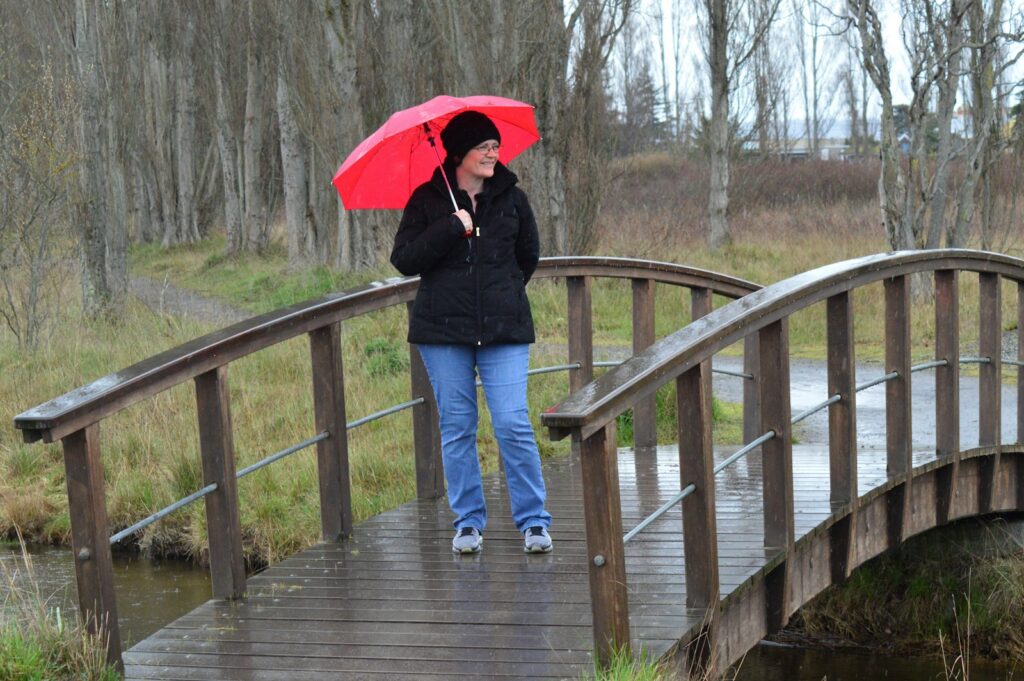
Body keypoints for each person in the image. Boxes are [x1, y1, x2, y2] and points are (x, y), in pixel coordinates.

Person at [390, 110, 553, 555]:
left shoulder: (513, 199)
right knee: (458, 427)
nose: (492, 153)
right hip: (443, 332)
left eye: (495, 146)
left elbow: (528, 256)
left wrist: (502, 294)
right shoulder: (428, 200)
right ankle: (468, 522)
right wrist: (450, 227)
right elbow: (404, 259)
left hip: (504, 330)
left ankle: (534, 521)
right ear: (460, 152)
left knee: (512, 423)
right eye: (483, 146)